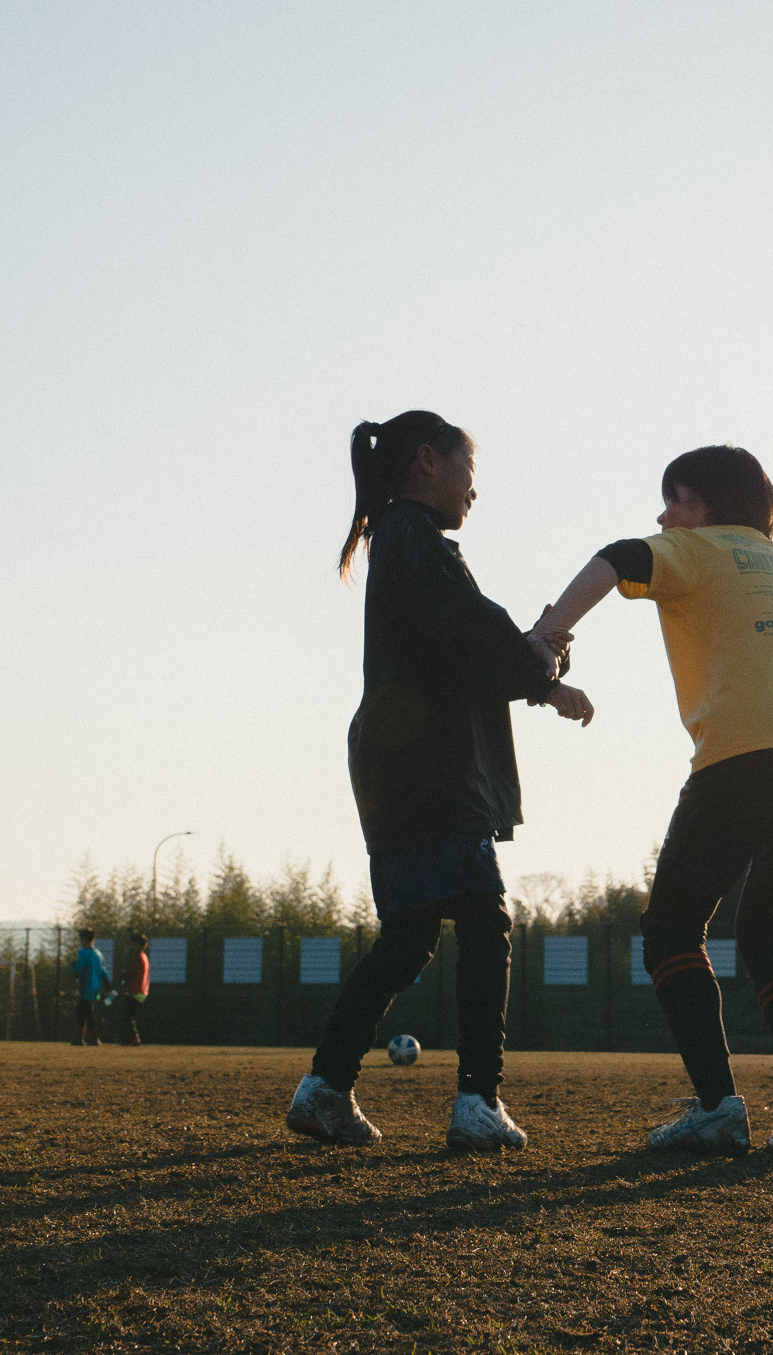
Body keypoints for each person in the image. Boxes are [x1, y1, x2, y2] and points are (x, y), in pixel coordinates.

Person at [532, 445, 773, 1154]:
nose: (664, 516)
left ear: (705, 508)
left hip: (744, 750)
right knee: (767, 929)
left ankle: (718, 1106)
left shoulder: (693, 551)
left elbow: (615, 556)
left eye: (675, 500)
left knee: (671, 924)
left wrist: (548, 633)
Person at [286, 411, 594, 1151]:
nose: (474, 492)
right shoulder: (415, 541)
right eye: (468, 471)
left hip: (395, 764)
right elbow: (471, 633)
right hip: (424, 765)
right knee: (485, 923)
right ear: (428, 460)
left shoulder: (401, 542)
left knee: (410, 935)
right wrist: (538, 657)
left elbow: (460, 647)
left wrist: (538, 675)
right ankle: (476, 1101)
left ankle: (326, 1087)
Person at [70, 928, 113, 1047]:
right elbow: (103, 972)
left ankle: (84, 1038)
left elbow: (79, 969)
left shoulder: (83, 953)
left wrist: (73, 967)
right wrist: (108, 986)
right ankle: (91, 1038)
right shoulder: (98, 954)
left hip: (85, 988)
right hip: (96, 988)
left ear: (83, 940)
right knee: (89, 1012)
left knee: (82, 1013)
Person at [112, 932, 150, 1046]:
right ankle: (131, 1039)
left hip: (135, 991)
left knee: (126, 1017)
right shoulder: (144, 956)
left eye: (132, 944)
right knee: (129, 1016)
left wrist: (123, 974)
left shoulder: (138, 957)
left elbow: (132, 973)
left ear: (138, 944)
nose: (130, 946)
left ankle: (132, 1039)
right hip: (141, 991)